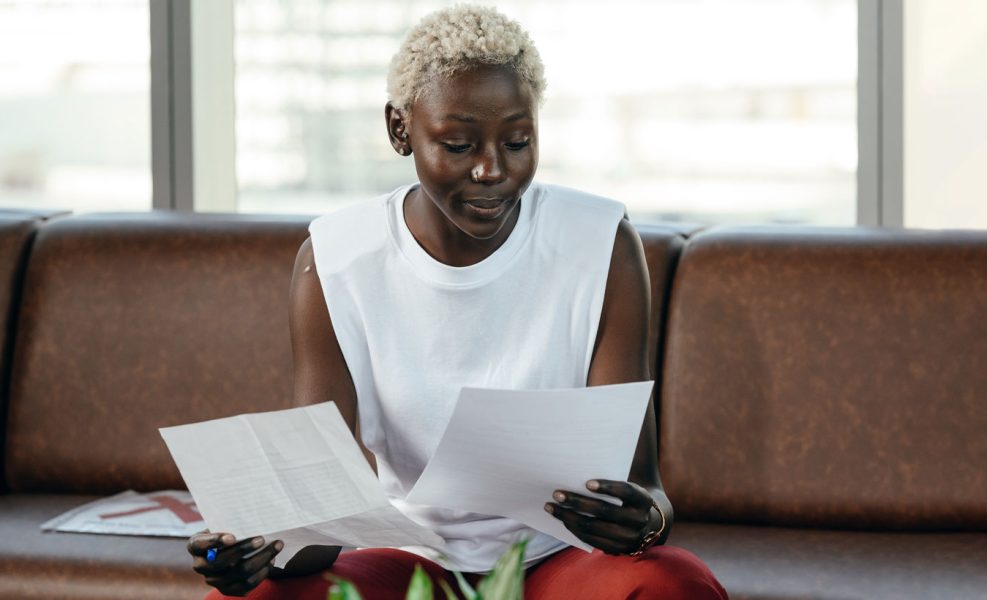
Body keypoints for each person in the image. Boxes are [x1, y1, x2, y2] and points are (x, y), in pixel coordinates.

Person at [187, 6, 727, 599]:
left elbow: (645, 488)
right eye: (459, 144)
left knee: (673, 582)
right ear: (400, 130)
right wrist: (257, 553)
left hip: (559, 559)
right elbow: (319, 525)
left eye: (518, 141)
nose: (492, 169)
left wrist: (642, 520)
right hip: (412, 557)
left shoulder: (600, 244)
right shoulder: (336, 259)